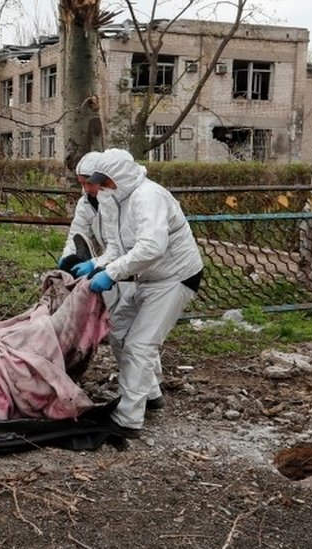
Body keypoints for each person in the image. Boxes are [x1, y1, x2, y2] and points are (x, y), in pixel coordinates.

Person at [79, 148, 204, 439]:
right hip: (145, 277)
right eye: (101, 182)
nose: (102, 188)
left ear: (121, 176)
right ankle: (150, 394)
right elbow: (116, 246)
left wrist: (111, 273)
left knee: (140, 344)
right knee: (120, 333)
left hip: (174, 277)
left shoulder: (149, 196)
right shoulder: (114, 199)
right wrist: (96, 263)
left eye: (106, 181)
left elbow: (151, 247)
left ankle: (127, 420)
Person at [58, 151, 104, 274]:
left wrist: (98, 263)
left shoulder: (121, 203)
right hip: (109, 264)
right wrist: (68, 257)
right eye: (82, 184)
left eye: (89, 183)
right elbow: (77, 234)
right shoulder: (85, 203)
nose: (85, 189)